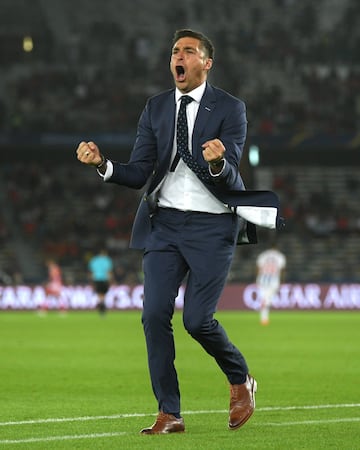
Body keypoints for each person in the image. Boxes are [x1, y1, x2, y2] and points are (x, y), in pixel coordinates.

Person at [76, 29, 281, 434]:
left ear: (206, 63)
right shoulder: (155, 108)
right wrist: (104, 165)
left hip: (212, 225)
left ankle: (240, 378)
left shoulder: (230, 108)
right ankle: (169, 412)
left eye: (189, 51)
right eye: (174, 51)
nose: (179, 57)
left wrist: (220, 163)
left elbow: (232, 166)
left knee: (197, 321)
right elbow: (139, 171)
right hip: (165, 224)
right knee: (153, 315)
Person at [256, 244, 286, 325]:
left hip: (262, 280)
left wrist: (257, 279)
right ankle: (264, 319)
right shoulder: (280, 256)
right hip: (274, 281)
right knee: (267, 299)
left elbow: (258, 268)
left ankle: (264, 317)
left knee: (265, 299)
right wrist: (282, 280)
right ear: (276, 248)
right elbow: (282, 270)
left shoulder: (263, 255)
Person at [88, 248, 114, 315]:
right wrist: (111, 280)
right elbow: (109, 271)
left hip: (96, 279)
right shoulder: (107, 260)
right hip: (105, 279)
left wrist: (91, 281)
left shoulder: (94, 260)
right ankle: (102, 308)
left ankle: (101, 306)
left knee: (99, 294)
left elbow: (91, 272)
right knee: (104, 294)